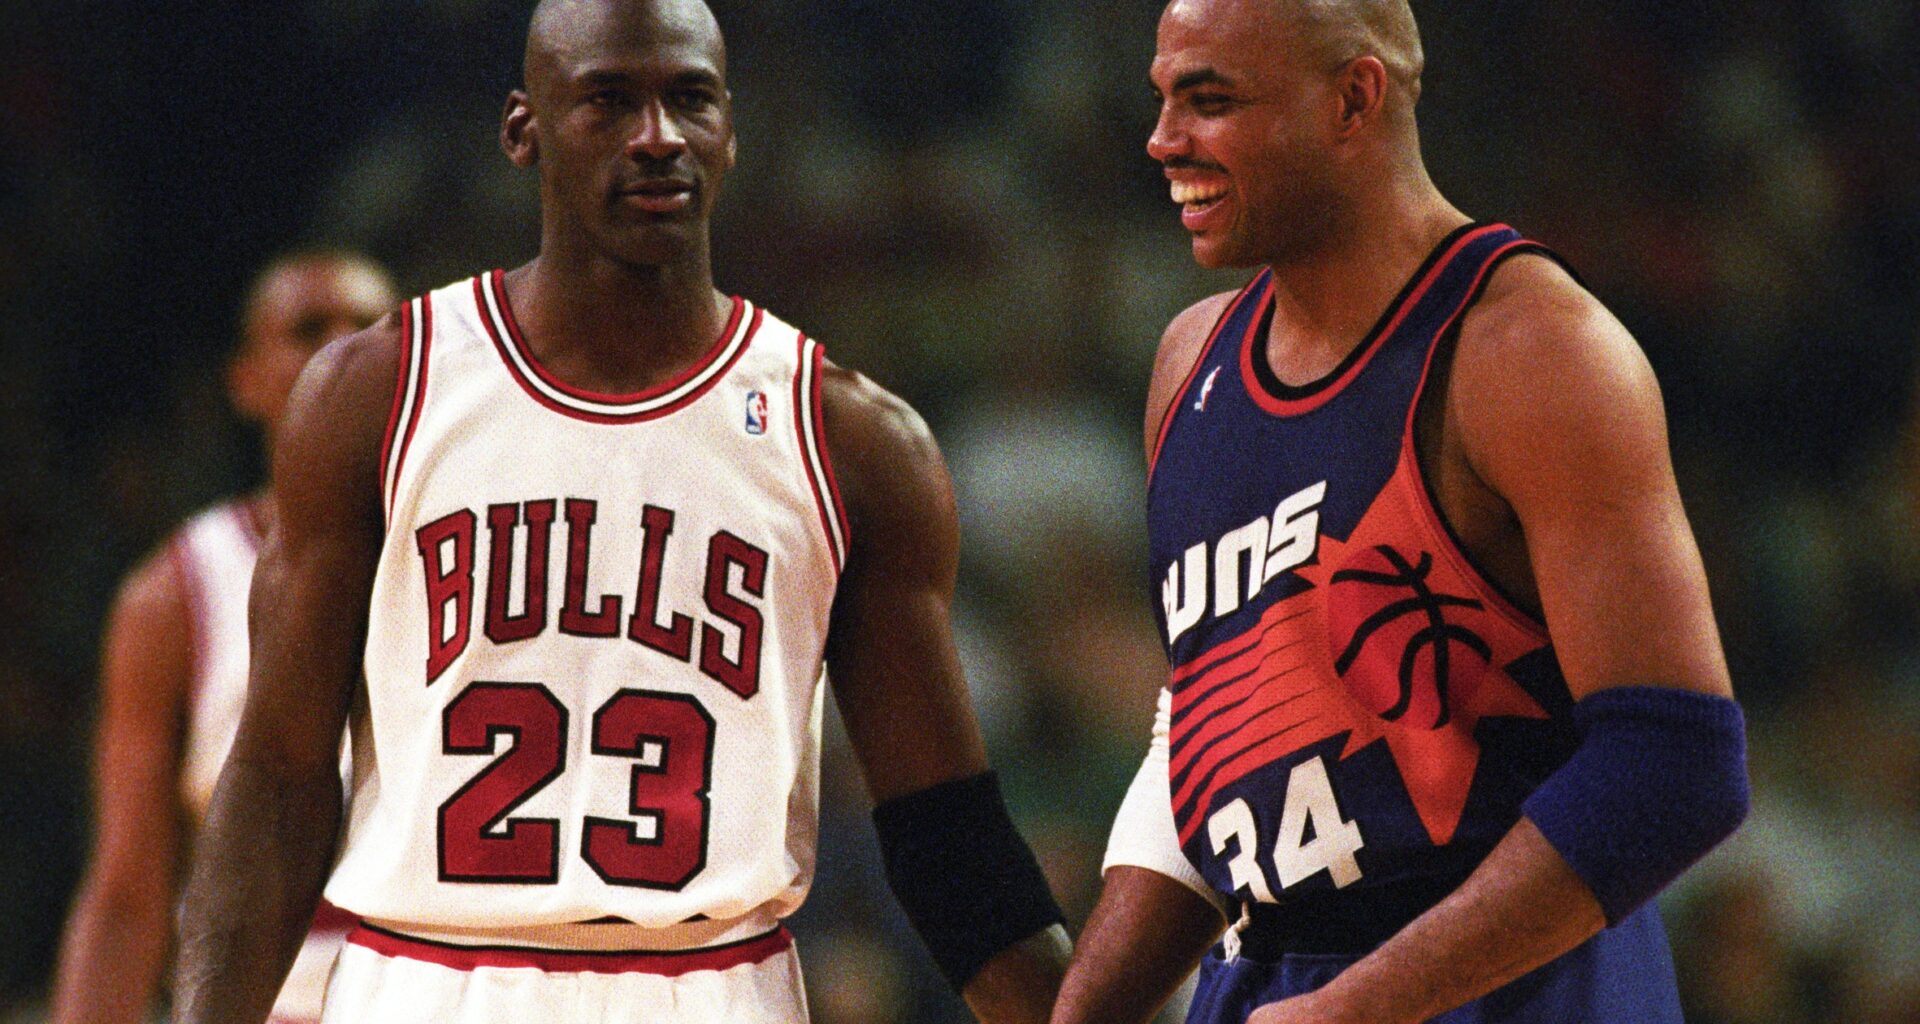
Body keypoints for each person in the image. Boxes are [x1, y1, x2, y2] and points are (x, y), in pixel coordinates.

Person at [170, 2, 1071, 1022]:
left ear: (731, 131)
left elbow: (947, 838)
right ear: (524, 131)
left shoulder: (852, 440)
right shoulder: (377, 392)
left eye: (690, 99)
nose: (657, 136)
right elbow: (278, 779)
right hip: (425, 978)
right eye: (608, 100)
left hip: (713, 983)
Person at [1050, 2, 1750, 1023]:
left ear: (1353, 98)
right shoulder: (1190, 363)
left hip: (1516, 986)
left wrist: (1360, 1006)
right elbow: (1206, 741)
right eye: (1162, 99)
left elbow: (1676, 765)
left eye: (1209, 100)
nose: (1163, 140)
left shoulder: (1530, 348)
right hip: (1272, 977)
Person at [50, 252, 398, 1024]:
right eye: (307, 330)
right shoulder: (173, 592)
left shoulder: (477, 550)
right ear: (245, 381)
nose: (341, 348)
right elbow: (127, 896)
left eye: (368, 328)